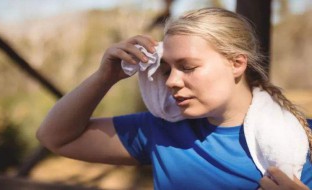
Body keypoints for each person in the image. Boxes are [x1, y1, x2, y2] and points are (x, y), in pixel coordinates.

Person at [37, 7, 312, 190]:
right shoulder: (161, 128)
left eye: (188, 67)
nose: (170, 81)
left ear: (237, 64)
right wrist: (104, 77)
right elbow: (56, 137)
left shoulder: (299, 140)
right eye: (166, 69)